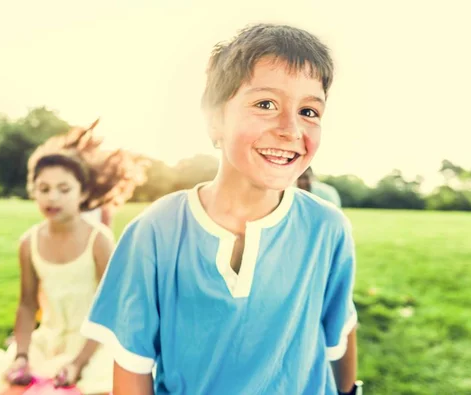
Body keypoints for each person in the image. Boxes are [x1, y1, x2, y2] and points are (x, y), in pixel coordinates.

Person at [82, 23, 362, 395]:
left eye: (309, 111)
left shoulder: (328, 228)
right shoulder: (154, 232)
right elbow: (132, 366)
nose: (290, 129)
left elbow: (338, 338)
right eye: (266, 104)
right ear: (215, 120)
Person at [0, 120, 149, 395]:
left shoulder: (99, 240)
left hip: (93, 344)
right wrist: (22, 355)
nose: (53, 198)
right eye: (44, 189)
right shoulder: (28, 243)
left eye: (64, 189)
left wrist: (79, 363)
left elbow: (111, 309)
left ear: (82, 193)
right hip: (49, 341)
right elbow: (26, 305)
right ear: (32, 190)